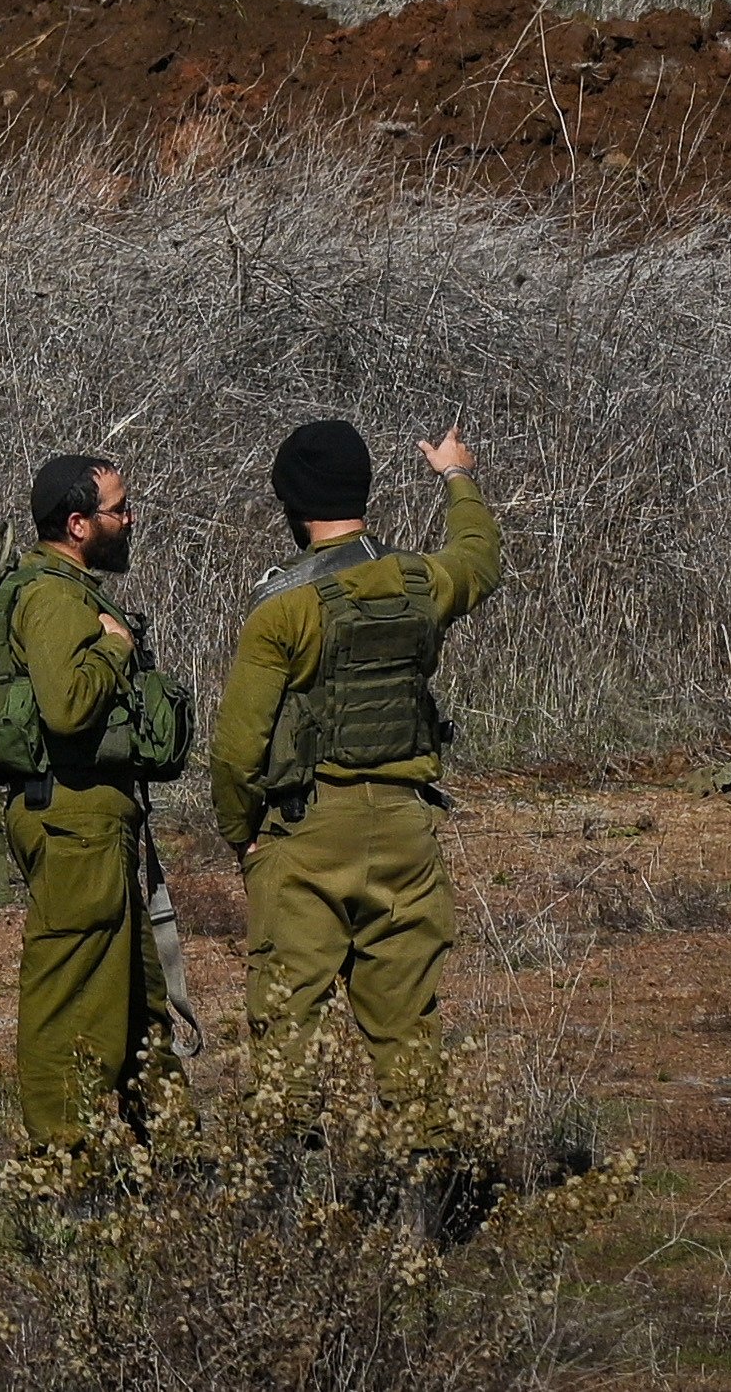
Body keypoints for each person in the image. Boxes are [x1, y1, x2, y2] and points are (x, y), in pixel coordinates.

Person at [210, 419, 503, 1112]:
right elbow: (480, 558)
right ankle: (427, 1192)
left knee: (286, 1028)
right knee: (407, 1030)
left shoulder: (283, 610)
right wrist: (456, 475)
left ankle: (286, 1192)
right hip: (406, 827)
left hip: (307, 831)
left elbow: (235, 748)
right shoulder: (422, 582)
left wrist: (240, 834)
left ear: (291, 504)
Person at [0, 450, 171, 1143]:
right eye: (118, 508)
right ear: (77, 523)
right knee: (68, 992)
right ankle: (61, 1158)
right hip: (72, 822)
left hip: (95, 818)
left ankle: (174, 1149)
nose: (130, 519)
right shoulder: (51, 596)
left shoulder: (69, 588)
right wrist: (114, 649)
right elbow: (67, 707)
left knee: (139, 996)